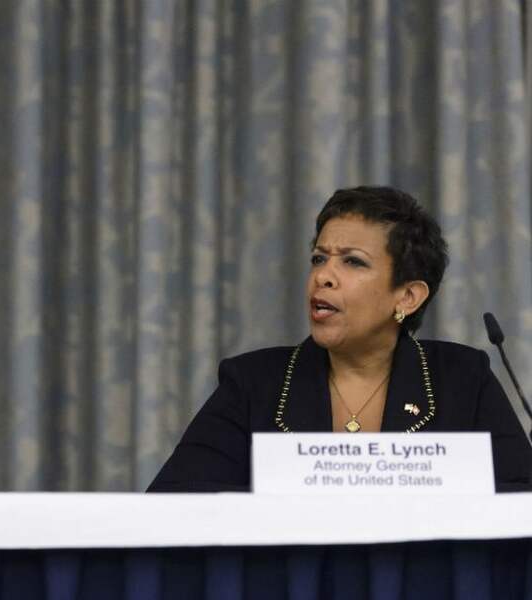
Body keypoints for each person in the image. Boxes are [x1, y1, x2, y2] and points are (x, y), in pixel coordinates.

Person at [148, 186, 532, 492]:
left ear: (407, 296)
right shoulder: (253, 383)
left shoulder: (462, 379)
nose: (323, 276)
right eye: (319, 258)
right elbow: (175, 506)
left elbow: (519, 503)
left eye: (352, 261)